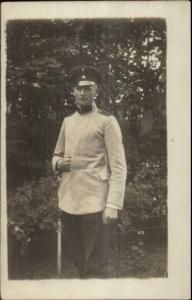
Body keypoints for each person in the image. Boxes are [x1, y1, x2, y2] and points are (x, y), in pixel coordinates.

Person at [52, 65, 127, 278]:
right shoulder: (68, 121)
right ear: (73, 91)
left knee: (97, 267)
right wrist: (58, 164)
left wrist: (113, 204)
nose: (83, 92)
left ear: (97, 91)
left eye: (88, 88)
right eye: (79, 88)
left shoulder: (107, 121)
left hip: (96, 204)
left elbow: (119, 166)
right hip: (70, 202)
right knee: (78, 263)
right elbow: (56, 154)